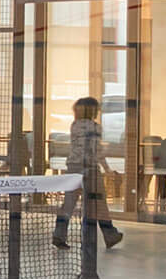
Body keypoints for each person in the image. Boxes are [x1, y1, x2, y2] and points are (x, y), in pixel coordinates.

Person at [52, 95, 123, 251]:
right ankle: (110, 234)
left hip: (73, 167)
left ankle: (59, 234)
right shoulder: (95, 127)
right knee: (99, 203)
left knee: (69, 202)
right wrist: (107, 169)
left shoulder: (74, 125)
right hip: (90, 169)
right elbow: (96, 150)